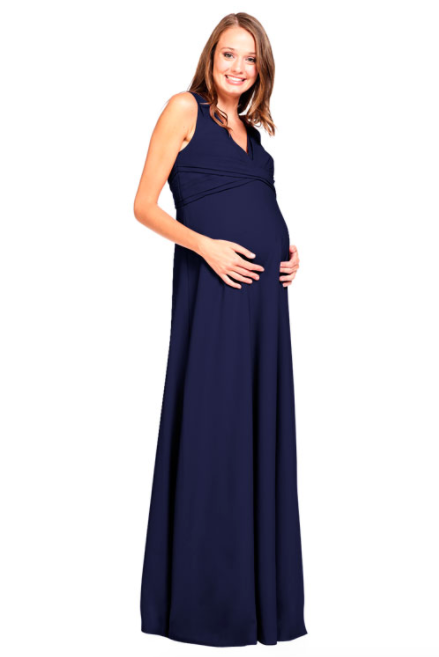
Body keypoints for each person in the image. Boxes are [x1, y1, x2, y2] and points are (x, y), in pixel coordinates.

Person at [133, 12, 307, 648]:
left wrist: (288, 250)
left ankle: (260, 604)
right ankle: (208, 605)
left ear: (262, 70)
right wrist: (206, 246)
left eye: (250, 59)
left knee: (256, 433)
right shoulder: (184, 109)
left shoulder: (254, 135)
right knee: (215, 429)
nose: (238, 67)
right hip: (215, 295)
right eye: (229, 54)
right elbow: (143, 205)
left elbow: (257, 207)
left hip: (265, 306)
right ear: (211, 56)